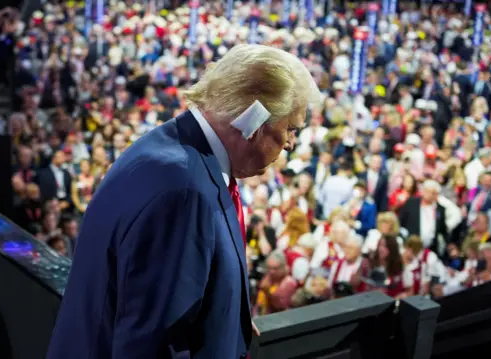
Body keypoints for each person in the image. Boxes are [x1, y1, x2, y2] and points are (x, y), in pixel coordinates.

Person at [47, 44, 320, 359]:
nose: (290, 143)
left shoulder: (178, 151)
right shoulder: (184, 191)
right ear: (253, 122)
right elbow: (154, 344)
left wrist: (226, 322)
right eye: (290, 128)